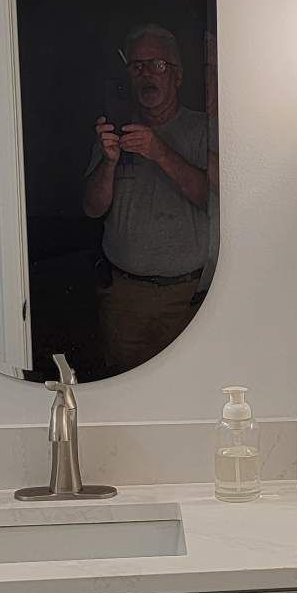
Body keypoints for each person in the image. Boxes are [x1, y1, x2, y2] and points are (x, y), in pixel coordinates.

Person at [82, 23, 210, 372]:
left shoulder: (204, 131)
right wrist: (108, 164)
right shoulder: (116, 131)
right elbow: (92, 209)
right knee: (123, 395)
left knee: (188, 392)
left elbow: (210, 201)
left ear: (178, 76)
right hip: (125, 297)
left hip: (188, 298)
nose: (146, 74)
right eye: (137, 66)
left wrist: (160, 152)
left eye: (158, 65)